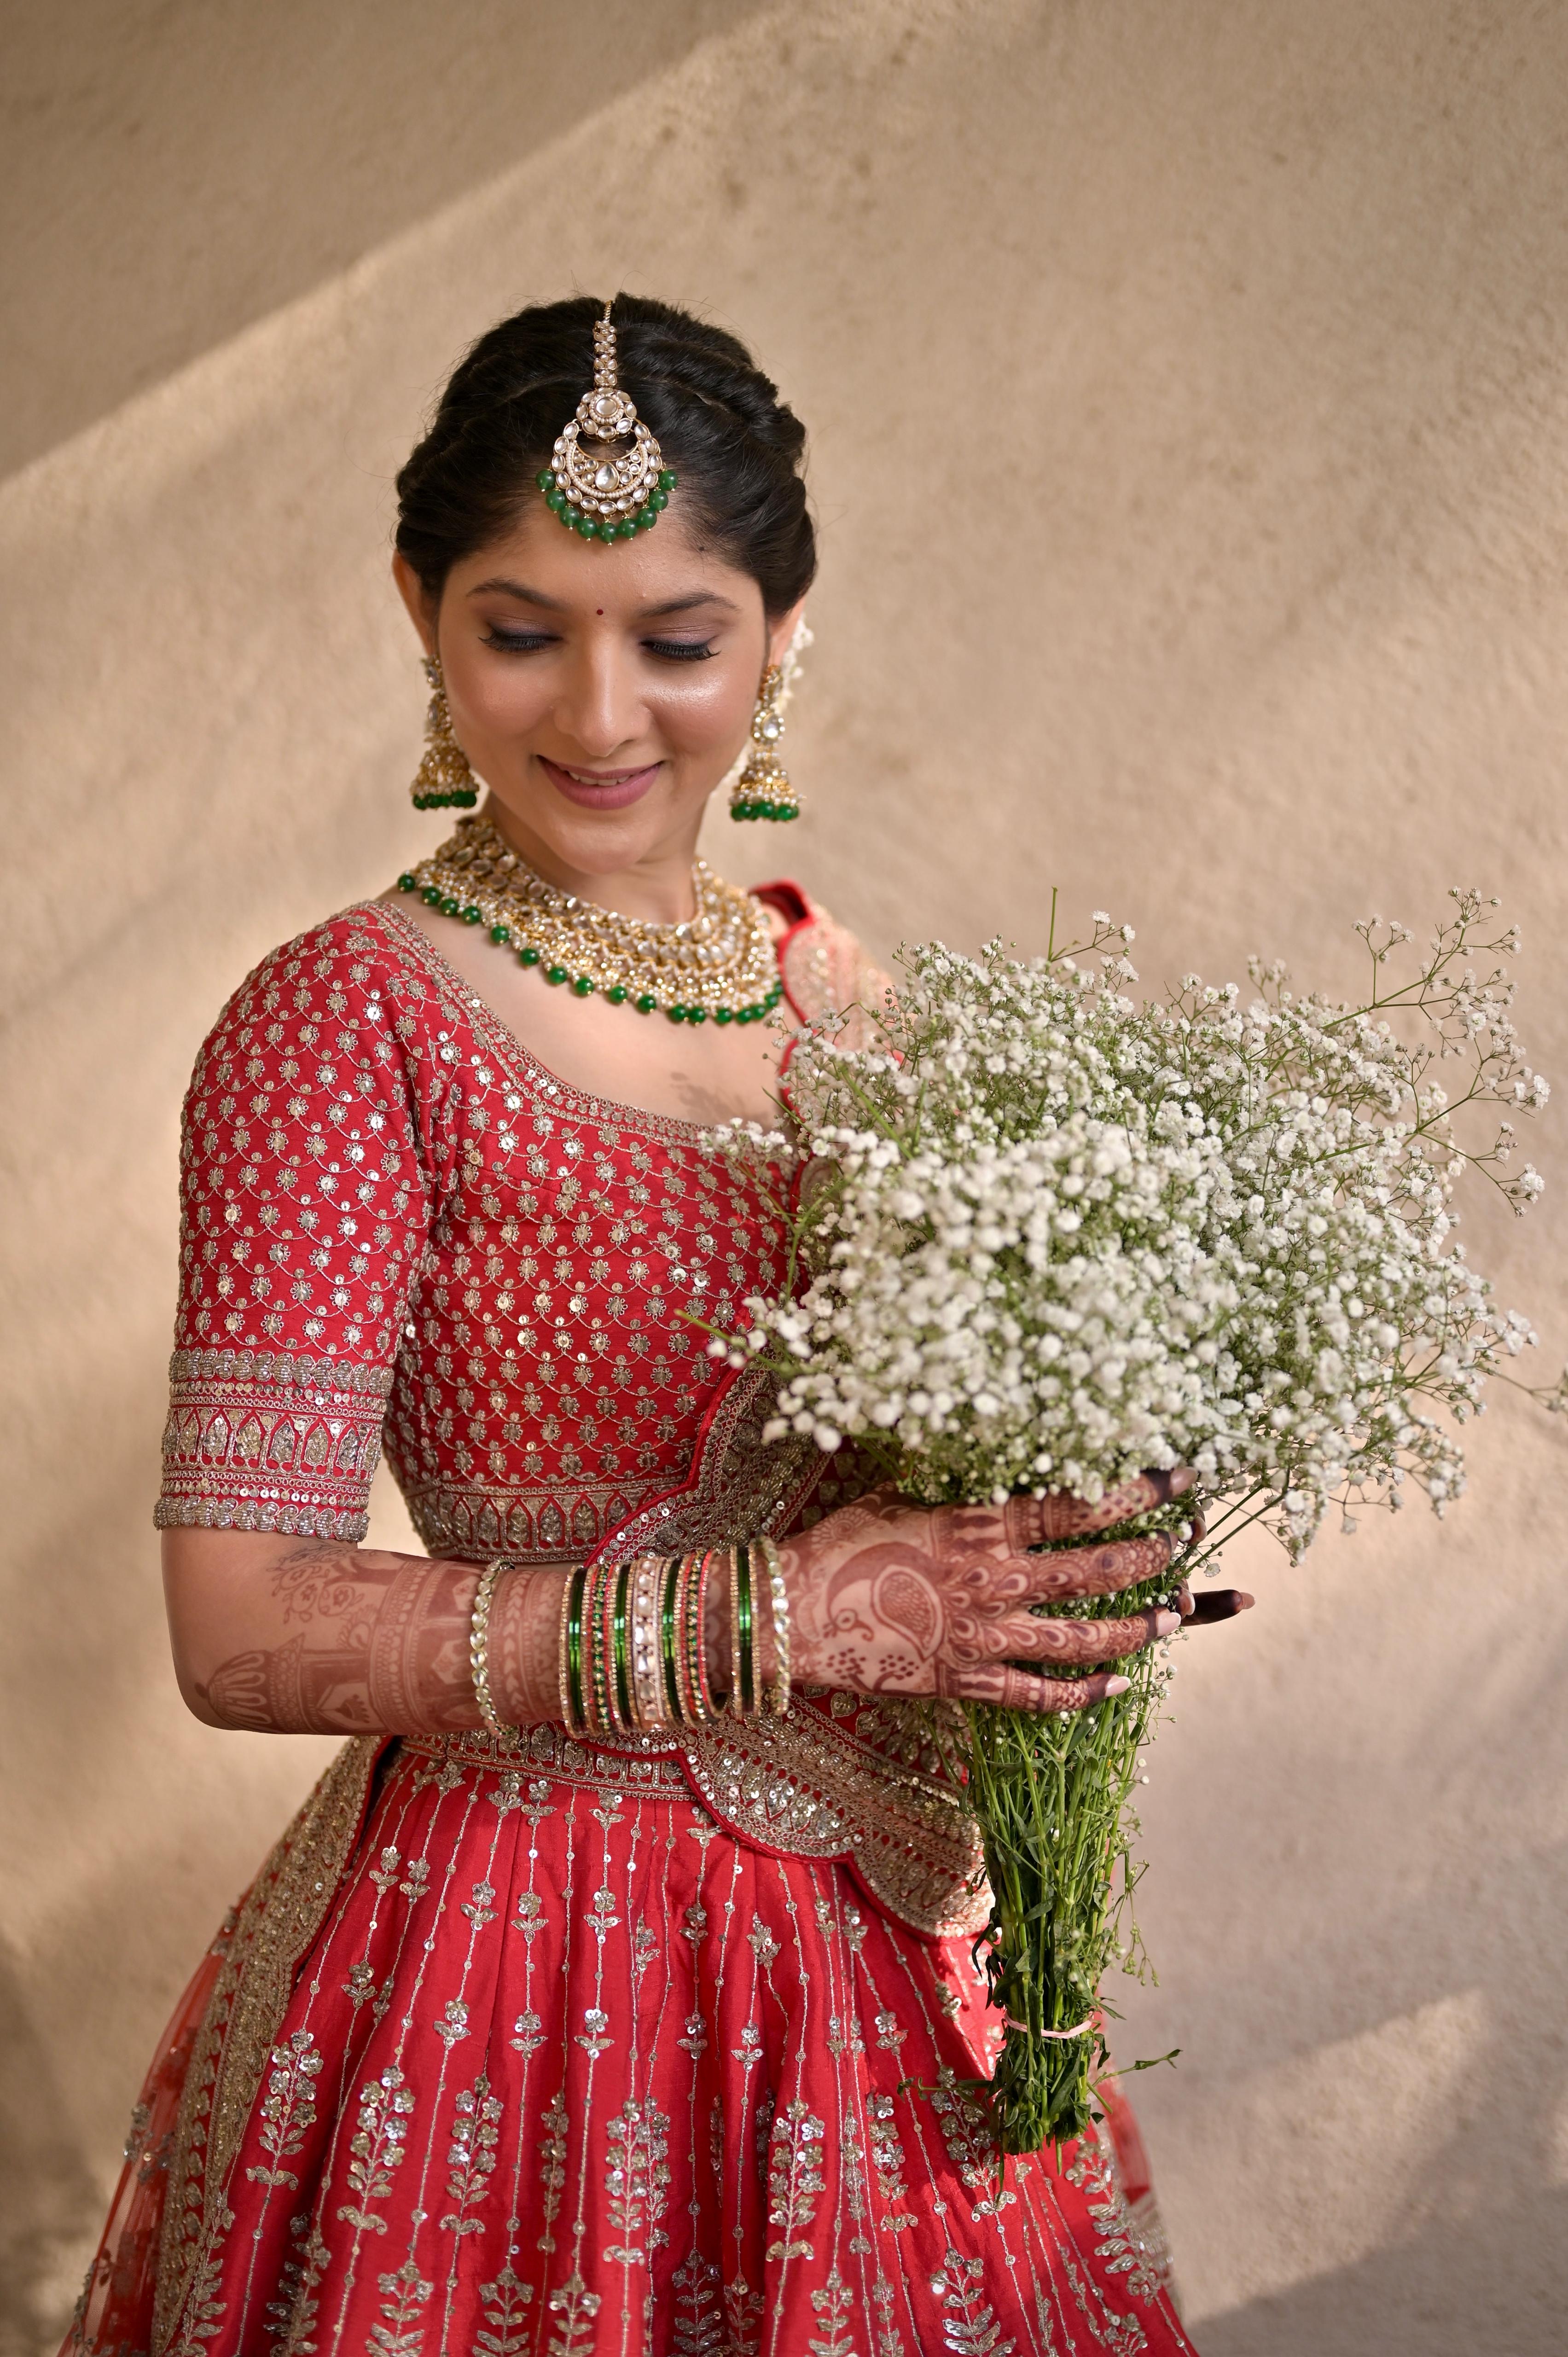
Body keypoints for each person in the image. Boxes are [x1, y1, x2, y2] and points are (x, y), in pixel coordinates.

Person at [69, 294, 1250, 2357]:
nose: (601, 711)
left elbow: (950, 1473)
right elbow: (239, 1620)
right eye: (522, 629)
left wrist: (1072, 1535)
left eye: (676, 637)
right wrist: (789, 1616)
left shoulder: (850, 1006)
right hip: (523, 1970)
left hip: (884, 1951)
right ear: (418, 610)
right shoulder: (348, 1024)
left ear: (785, 633)